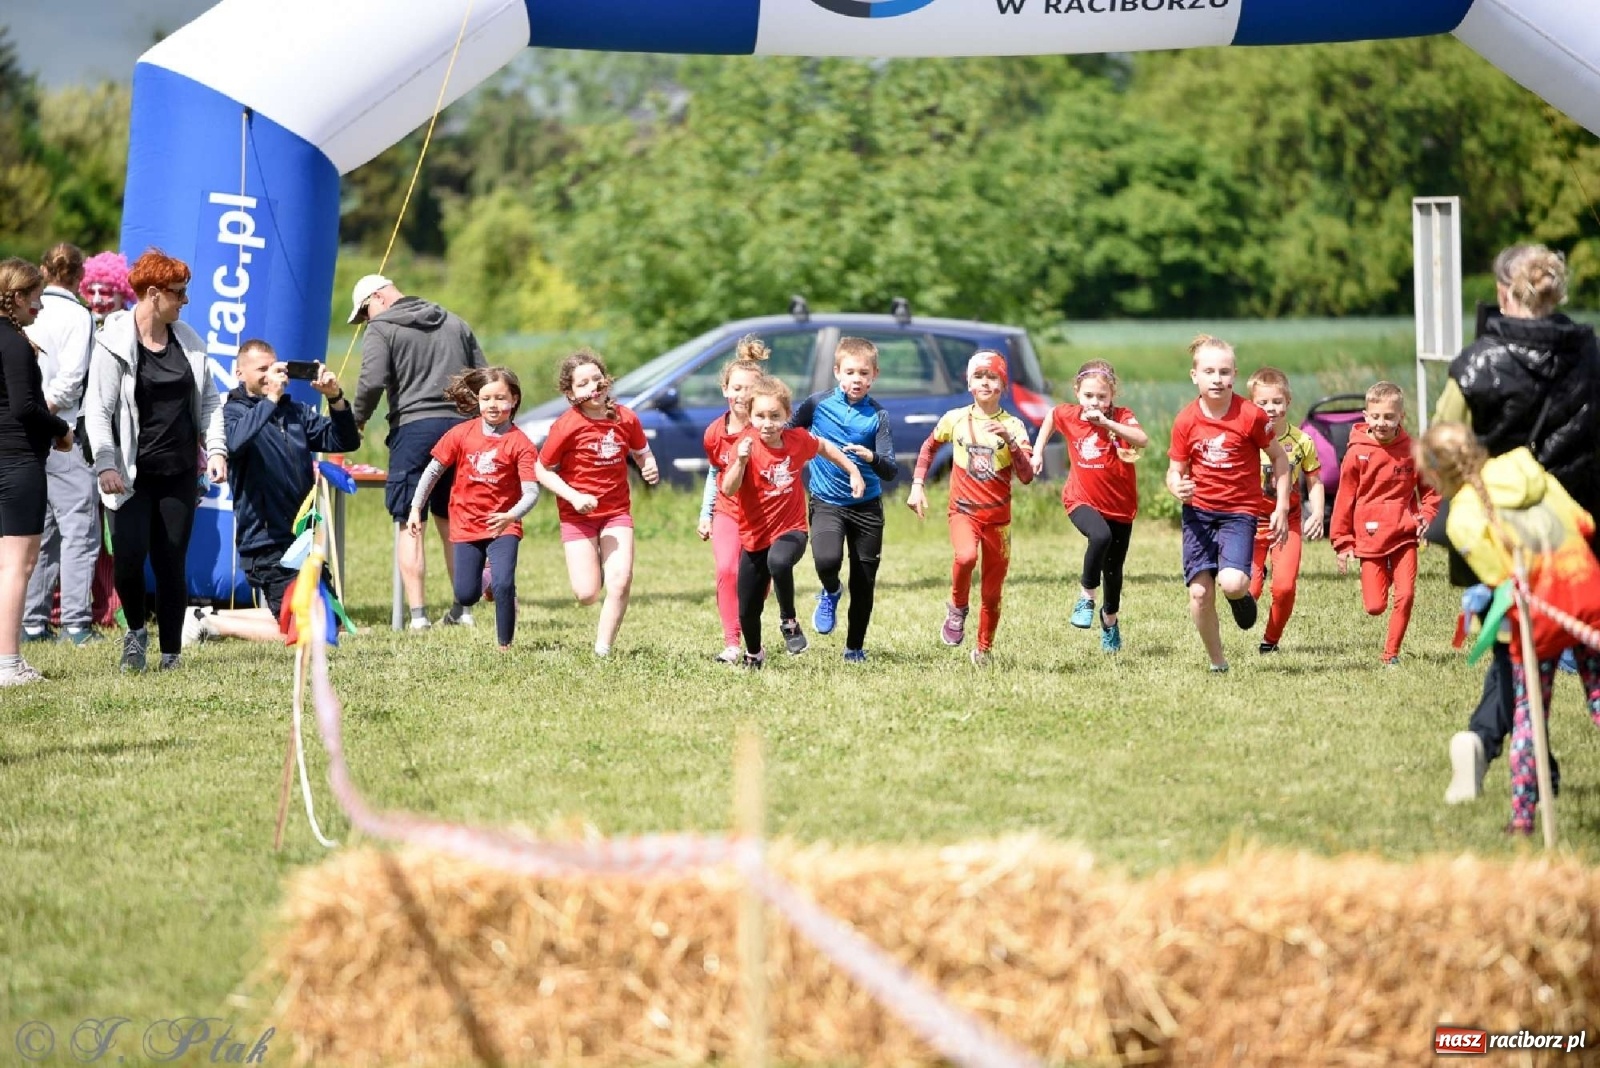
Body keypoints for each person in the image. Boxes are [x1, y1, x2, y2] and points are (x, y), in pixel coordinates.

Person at [1436, 245, 1600, 802]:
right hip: (1577, 522)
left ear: (1504, 292)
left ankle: (1489, 743)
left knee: (1522, 638)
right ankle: (1524, 761)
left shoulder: (1478, 362)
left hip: (1499, 529)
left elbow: (1442, 446)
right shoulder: (1589, 352)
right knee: (1579, 640)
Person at [1417, 422, 1600, 835]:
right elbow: (1585, 522)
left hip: (1539, 619)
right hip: (1588, 592)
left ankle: (1521, 819)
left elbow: (1501, 580)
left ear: (1434, 474)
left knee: (1529, 715)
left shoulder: (1462, 517)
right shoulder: (1524, 465)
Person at [84, 249, 227, 673]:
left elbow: (212, 402)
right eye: (178, 293)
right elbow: (97, 411)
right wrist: (106, 464)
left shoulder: (188, 340)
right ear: (152, 294)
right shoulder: (113, 344)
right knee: (128, 561)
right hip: (129, 476)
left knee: (171, 562)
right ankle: (135, 633)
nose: (184, 301)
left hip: (179, 471)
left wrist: (215, 449)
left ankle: (170, 654)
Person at [183, 339, 360, 647]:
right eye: (261, 369)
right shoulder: (230, 414)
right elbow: (233, 443)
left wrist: (336, 399)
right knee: (309, 629)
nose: (270, 375)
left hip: (302, 538)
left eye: (274, 368)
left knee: (328, 621)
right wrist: (270, 400)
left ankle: (206, 618)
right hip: (265, 541)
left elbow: (343, 440)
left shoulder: (296, 412)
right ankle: (209, 624)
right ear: (239, 373)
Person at [348, 274, 486, 630]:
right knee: (452, 520)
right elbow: (484, 379)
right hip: (460, 429)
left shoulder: (381, 328)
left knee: (411, 522)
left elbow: (371, 381)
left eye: (364, 313)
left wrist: (357, 421)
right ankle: (463, 610)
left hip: (413, 431)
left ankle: (418, 617)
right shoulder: (456, 323)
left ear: (377, 298)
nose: (366, 321)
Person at [1167, 335, 1290, 673]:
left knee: (1233, 583)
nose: (1217, 378)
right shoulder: (1185, 420)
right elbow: (1174, 471)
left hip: (1239, 513)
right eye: (1209, 371)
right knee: (1200, 595)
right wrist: (1177, 487)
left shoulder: (1250, 415)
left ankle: (1240, 598)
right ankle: (1218, 662)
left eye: (1224, 371)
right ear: (1195, 376)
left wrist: (1280, 506)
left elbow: (1280, 460)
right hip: (1198, 514)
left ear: (1234, 375)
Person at [722, 374, 863, 668]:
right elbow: (728, 489)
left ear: (787, 415)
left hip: (791, 530)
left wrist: (853, 470)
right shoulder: (743, 446)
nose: (767, 423)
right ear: (750, 416)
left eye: (775, 416)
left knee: (780, 561)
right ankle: (754, 653)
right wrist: (741, 462)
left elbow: (823, 447)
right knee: (747, 607)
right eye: (760, 416)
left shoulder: (797, 440)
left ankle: (789, 620)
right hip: (754, 536)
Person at [907, 351, 1035, 666]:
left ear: (1003, 385)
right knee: (965, 557)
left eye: (993, 377)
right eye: (979, 377)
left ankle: (984, 649)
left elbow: (1027, 475)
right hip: (963, 511)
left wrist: (1011, 442)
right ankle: (957, 606)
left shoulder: (1013, 425)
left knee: (992, 593)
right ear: (969, 383)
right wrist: (917, 485)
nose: (985, 383)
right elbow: (929, 447)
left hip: (999, 521)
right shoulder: (955, 419)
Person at [535, 349, 659, 657]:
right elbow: (542, 468)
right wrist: (575, 497)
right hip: (577, 516)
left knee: (620, 581)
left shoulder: (625, 417)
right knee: (587, 593)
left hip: (616, 512)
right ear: (570, 392)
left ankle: (603, 650)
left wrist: (648, 464)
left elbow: (641, 451)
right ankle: (596, 566)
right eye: (583, 383)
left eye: (597, 379)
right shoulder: (567, 425)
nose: (593, 387)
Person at [407, 368, 538, 651]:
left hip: (503, 525)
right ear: (477, 400)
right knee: (465, 595)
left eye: (500, 398)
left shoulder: (521, 444)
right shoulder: (461, 434)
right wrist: (416, 507)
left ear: (513, 400)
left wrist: (511, 516)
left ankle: (505, 646)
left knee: (505, 585)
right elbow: (432, 472)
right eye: (486, 398)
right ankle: (486, 580)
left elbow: (531, 493)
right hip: (466, 523)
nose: (493, 404)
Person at [791, 336, 898, 663]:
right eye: (850, 372)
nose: (857, 379)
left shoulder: (877, 416)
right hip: (827, 501)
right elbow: (788, 432)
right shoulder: (817, 404)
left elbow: (891, 469)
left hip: (867, 507)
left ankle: (854, 647)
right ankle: (831, 590)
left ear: (874, 375)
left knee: (864, 581)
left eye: (864, 373)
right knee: (826, 561)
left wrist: (870, 457)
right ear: (837, 372)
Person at [1031, 358, 1147, 653]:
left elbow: (1142, 440)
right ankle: (1086, 596)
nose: (1094, 402)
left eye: (1101, 397)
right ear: (1077, 393)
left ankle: (1109, 620)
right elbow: (1052, 417)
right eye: (1088, 396)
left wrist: (1108, 423)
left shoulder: (1121, 416)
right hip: (1080, 499)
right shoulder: (1069, 415)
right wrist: (1037, 452)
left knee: (1114, 569)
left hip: (1120, 505)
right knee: (1100, 536)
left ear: (1112, 396)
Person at [0, 258, 75, 686]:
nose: (40, 308)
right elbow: (24, 407)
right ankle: (9, 663)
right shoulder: (12, 342)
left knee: (5, 566)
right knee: (18, 566)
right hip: (17, 463)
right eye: (36, 299)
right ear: (17, 297)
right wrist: (62, 429)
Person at [23, 243, 102, 646]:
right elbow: (72, 380)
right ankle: (75, 622)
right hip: (61, 433)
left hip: (25, 434)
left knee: (42, 530)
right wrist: (47, 416)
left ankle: (33, 621)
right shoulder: (79, 316)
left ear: (43, 269)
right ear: (80, 276)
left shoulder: (28, 310)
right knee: (80, 530)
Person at [1328, 381, 1439, 666]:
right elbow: (1345, 498)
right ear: (1365, 417)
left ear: (1402, 417)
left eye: (1389, 417)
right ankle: (1382, 578)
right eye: (1376, 416)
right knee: (1375, 606)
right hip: (1369, 537)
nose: (1382, 423)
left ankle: (1391, 654)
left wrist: (1425, 516)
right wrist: (1343, 542)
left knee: (1406, 594)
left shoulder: (1414, 451)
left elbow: (1431, 491)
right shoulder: (1356, 453)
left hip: (1404, 534)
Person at [1246, 367, 1326, 655]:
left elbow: (1314, 482)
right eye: (1263, 403)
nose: (1271, 408)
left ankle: (1270, 640)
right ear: (1251, 403)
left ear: (1288, 401)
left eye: (1277, 402)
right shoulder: (1246, 440)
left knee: (1283, 588)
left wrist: (1316, 513)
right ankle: (1256, 573)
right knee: (1248, 592)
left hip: (1287, 523)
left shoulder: (1302, 442)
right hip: (1249, 524)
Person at [698, 336, 768, 664]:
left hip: (764, 516)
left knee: (758, 582)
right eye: (736, 388)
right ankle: (731, 643)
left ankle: (749, 624)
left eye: (750, 389)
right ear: (725, 389)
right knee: (727, 569)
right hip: (727, 512)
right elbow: (716, 474)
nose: (742, 395)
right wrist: (705, 513)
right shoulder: (714, 433)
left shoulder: (768, 427)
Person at [78, 251, 135, 328]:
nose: (96, 300)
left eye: (104, 292)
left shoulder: (133, 329)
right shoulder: (82, 326)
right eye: (91, 292)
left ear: (123, 295)